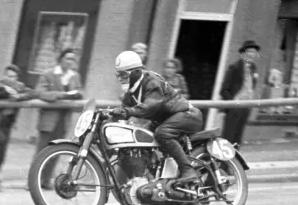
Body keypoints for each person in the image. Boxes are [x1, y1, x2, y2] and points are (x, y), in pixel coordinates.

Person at [112, 50, 203, 183]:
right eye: (117, 74)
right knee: (141, 136)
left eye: (123, 74)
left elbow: (150, 106)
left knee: (162, 133)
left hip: (187, 115)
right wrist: (104, 118)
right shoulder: (130, 92)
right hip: (167, 119)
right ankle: (155, 175)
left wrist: (127, 112)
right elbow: (122, 113)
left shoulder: (151, 81)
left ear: (136, 72)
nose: (120, 78)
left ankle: (188, 171)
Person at [35, 48, 83, 189]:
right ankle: (35, 180)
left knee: (57, 151)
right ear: (60, 59)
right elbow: (41, 93)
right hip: (49, 119)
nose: (70, 62)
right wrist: (64, 95)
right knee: (42, 150)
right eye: (67, 58)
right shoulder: (48, 74)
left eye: (73, 59)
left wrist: (77, 95)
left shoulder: (75, 76)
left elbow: (81, 93)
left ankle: (46, 180)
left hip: (64, 119)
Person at [0, 64, 36, 192]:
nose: (11, 79)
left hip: (6, 123)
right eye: (8, 76)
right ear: (4, 76)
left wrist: (18, 96)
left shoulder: (19, 88)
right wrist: (6, 91)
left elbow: (31, 93)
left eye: (13, 77)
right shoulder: (0, 86)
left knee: (1, 151)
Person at [220, 40, 261, 146]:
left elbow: (251, 87)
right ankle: (222, 162)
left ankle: (234, 162)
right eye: (249, 51)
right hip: (235, 107)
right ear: (243, 53)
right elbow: (224, 89)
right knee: (228, 138)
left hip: (246, 107)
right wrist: (232, 105)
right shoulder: (235, 67)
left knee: (237, 139)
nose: (251, 54)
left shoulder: (253, 68)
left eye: (253, 52)